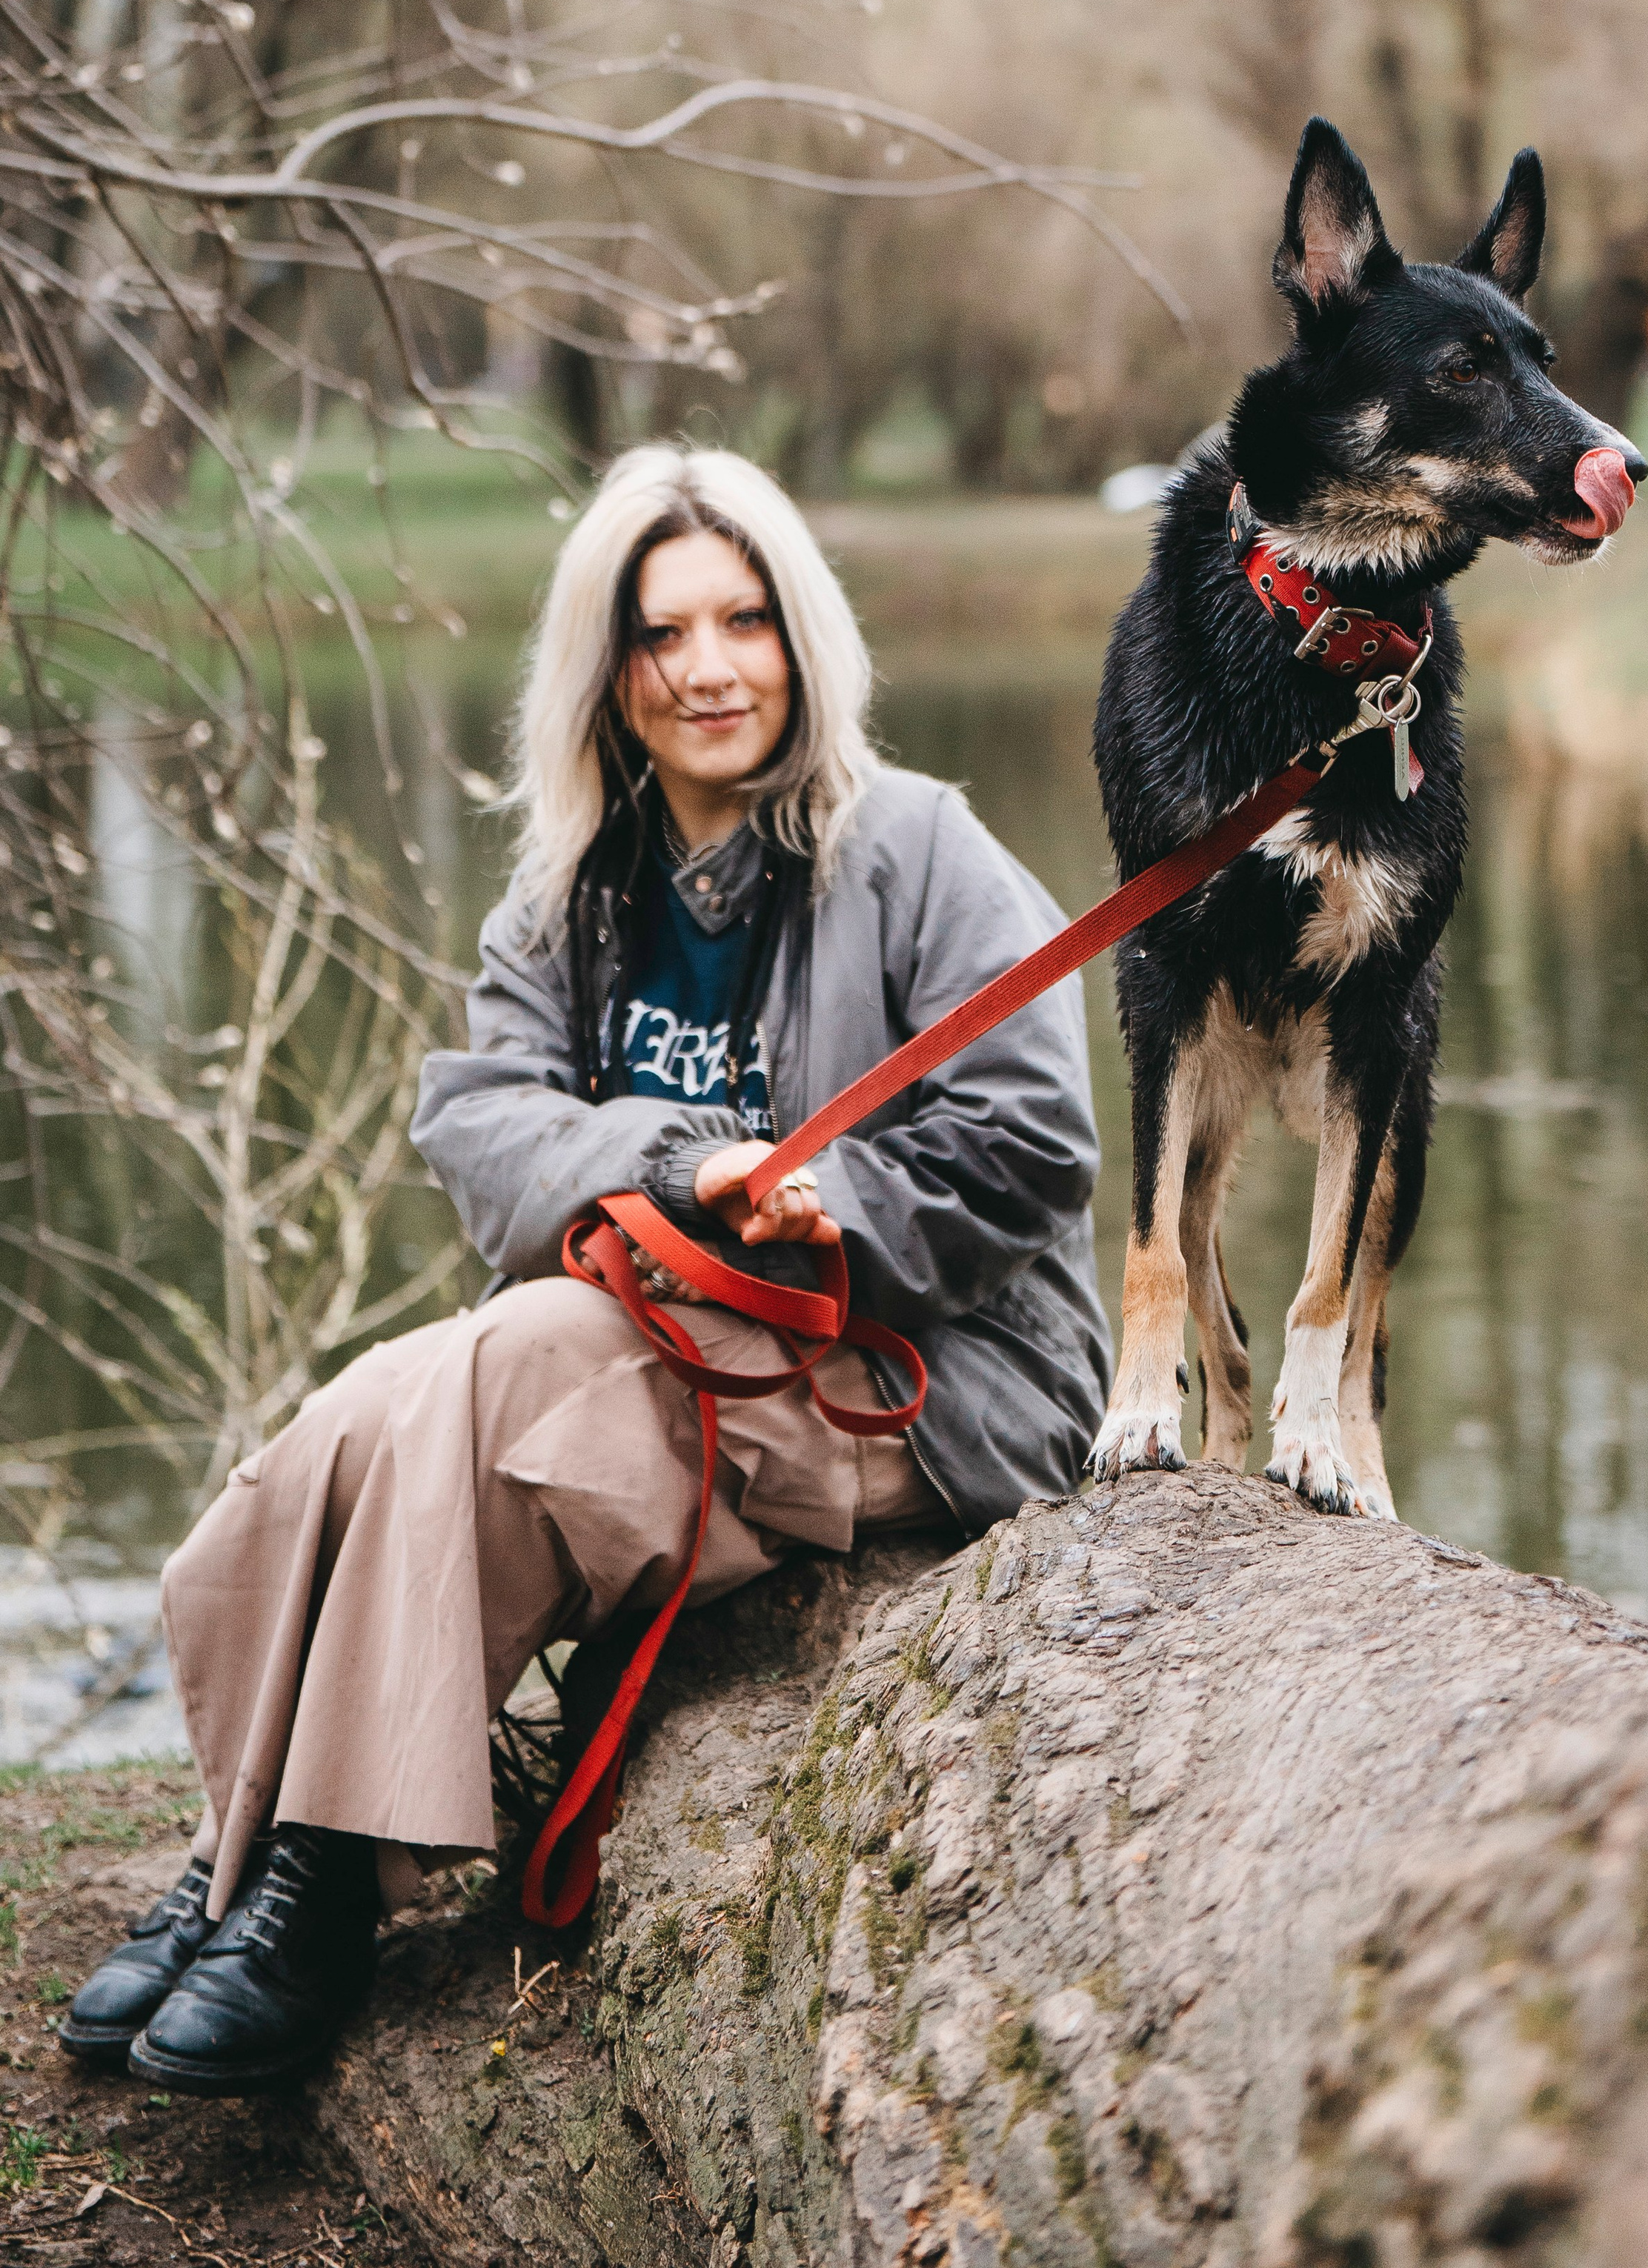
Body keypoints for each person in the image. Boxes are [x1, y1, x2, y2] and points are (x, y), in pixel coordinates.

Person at [61, 443, 1112, 2093]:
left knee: (496, 1366)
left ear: (800, 636)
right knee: (373, 1401)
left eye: (742, 619)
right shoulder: (578, 887)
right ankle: (238, 1848)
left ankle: (322, 1884)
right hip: (650, 1343)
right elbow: (478, 1123)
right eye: (660, 633)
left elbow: (1040, 1142)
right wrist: (667, 1157)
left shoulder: (917, 844)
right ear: (608, 675)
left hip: (928, 1372)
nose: (706, 666)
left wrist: (841, 1196)